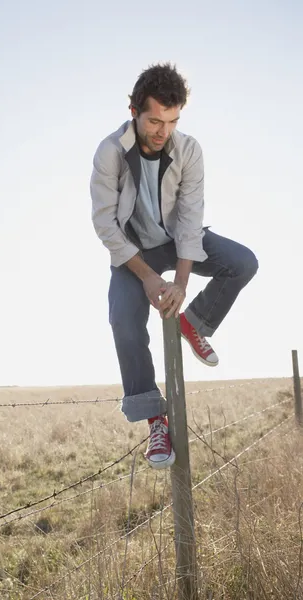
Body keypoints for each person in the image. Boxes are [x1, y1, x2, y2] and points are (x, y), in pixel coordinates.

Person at [90, 62, 258, 469]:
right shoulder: (110, 152)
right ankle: (155, 420)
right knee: (123, 320)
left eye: (172, 120)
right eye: (154, 120)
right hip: (132, 253)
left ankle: (193, 324)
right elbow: (104, 224)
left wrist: (180, 283)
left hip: (175, 243)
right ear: (134, 111)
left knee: (242, 262)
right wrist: (147, 277)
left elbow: (189, 219)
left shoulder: (189, 150)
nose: (163, 130)